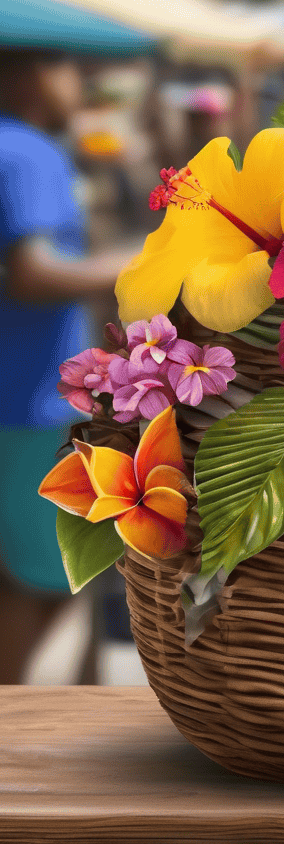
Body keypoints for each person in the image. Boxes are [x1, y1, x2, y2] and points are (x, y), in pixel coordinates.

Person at [0, 49, 138, 684]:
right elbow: (33, 274)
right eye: (66, 67)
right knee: (52, 578)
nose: (79, 80)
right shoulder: (27, 150)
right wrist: (144, 260)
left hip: (18, 397)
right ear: (27, 74)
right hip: (30, 399)